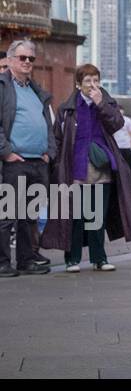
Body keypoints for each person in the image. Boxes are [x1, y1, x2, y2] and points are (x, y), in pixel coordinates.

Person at [45, 63, 131, 271]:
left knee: (96, 217)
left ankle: (98, 258)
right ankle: (72, 259)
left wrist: (101, 104)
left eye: (96, 80)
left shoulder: (106, 102)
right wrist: (56, 165)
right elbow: (57, 138)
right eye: (88, 81)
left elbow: (116, 124)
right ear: (78, 84)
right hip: (75, 168)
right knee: (76, 216)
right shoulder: (67, 109)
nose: (93, 85)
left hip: (101, 169)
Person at [0, 39, 57, 277]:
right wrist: (6, 152)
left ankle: (26, 258)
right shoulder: (2, 87)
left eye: (31, 59)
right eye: (22, 58)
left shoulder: (36, 91)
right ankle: (2, 261)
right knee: (8, 213)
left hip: (38, 162)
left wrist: (49, 153)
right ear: (11, 60)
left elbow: (48, 125)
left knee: (29, 215)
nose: (27, 62)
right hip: (16, 162)